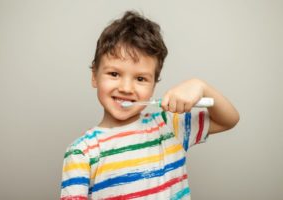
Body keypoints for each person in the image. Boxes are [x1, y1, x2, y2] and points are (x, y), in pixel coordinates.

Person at [60, 10, 239, 200]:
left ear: (154, 86)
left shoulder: (170, 126)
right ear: (94, 76)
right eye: (114, 74)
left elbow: (229, 120)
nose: (126, 88)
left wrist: (201, 86)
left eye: (140, 78)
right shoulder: (82, 152)